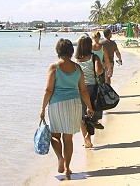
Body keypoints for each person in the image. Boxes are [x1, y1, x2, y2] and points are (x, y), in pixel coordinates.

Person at [40, 38, 94, 177]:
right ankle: (67, 168)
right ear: (71, 51)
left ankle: (60, 158)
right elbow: (83, 90)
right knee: (68, 138)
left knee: (55, 135)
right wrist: (89, 106)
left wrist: (42, 108)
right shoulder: (78, 68)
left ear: (58, 51)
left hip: (57, 104)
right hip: (74, 104)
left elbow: (48, 90)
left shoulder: (54, 67)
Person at [75, 36, 110, 148]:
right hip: (92, 88)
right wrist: (102, 67)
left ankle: (87, 140)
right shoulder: (94, 57)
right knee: (93, 113)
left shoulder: (77, 60)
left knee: (82, 115)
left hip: (79, 89)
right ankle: (89, 135)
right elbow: (99, 71)